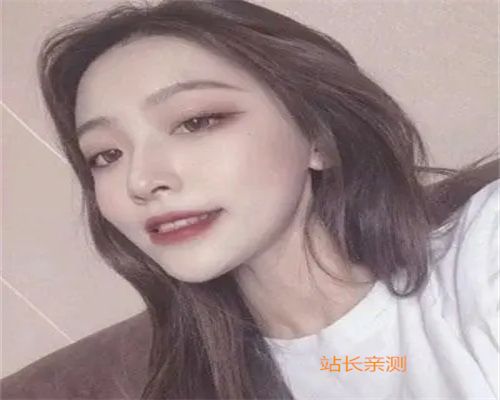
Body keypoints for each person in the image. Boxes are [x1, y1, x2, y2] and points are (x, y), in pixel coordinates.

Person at [1, 0, 498, 399]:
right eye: (106, 155)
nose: (142, 179)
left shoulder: (482, 252)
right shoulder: (185, 384)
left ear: (318, 138)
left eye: (196, 121)